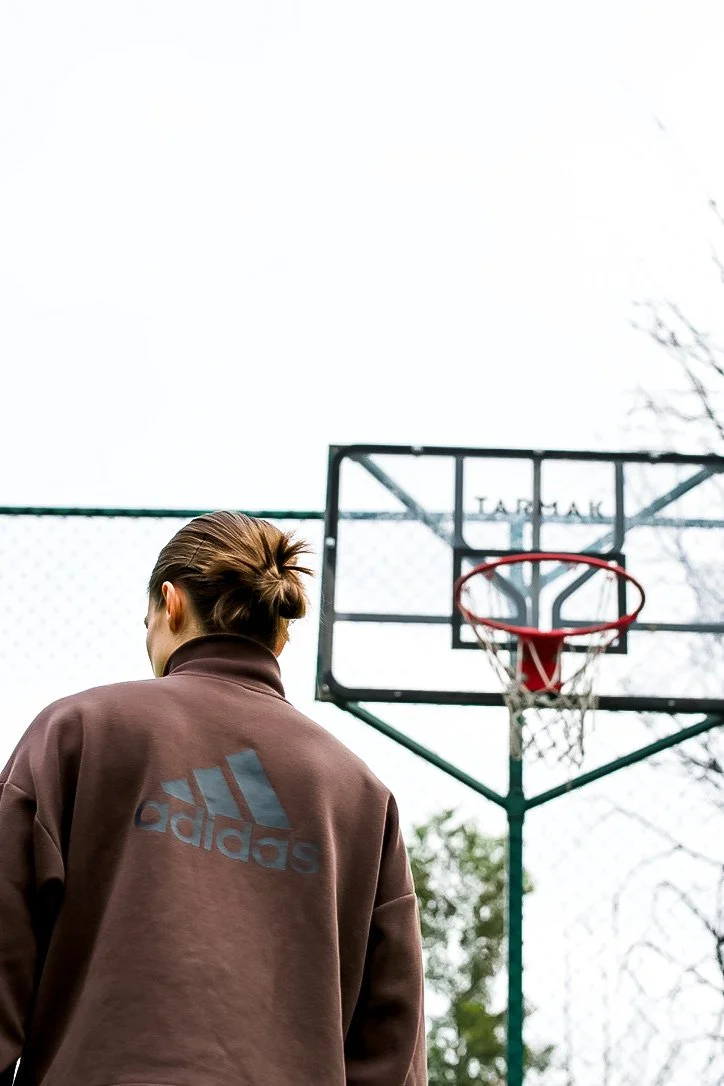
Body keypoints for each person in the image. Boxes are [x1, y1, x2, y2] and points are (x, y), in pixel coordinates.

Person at [0, 511, 427, 1085]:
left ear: (170, 603)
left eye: (145, 619)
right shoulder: (359, 794)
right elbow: (393, 1044)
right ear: (281, 631)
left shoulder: (78, 729)